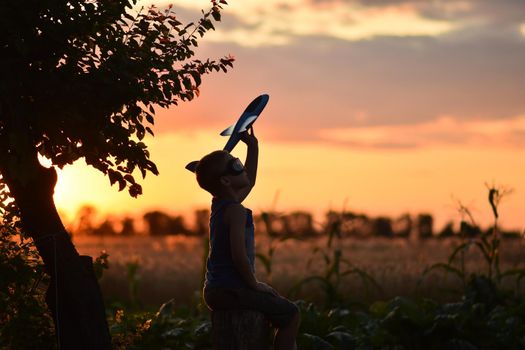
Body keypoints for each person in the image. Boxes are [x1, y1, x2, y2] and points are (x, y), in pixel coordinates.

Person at [194, 126, 300, 350]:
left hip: (218, 290)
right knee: (291, 314)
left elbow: (249, 181)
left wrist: (253, 147)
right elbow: (238, 255)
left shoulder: (223, 205)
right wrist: (255, 284)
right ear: (225, 181)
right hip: (230, 290)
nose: (241, 166)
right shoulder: (235, 211)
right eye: (236, 165)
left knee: (272, 312)